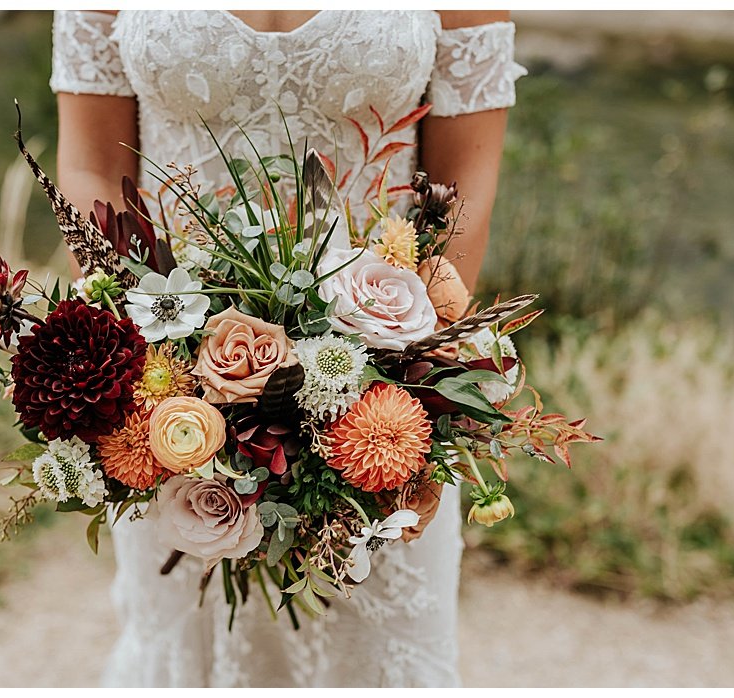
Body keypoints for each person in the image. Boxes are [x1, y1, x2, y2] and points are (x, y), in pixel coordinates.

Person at [49, 9, 525, 687]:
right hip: (172, 407)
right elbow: (93, 168)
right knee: (186, 652)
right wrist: (161, 366)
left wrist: (398, 373)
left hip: (379, 400)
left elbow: (463, 192)